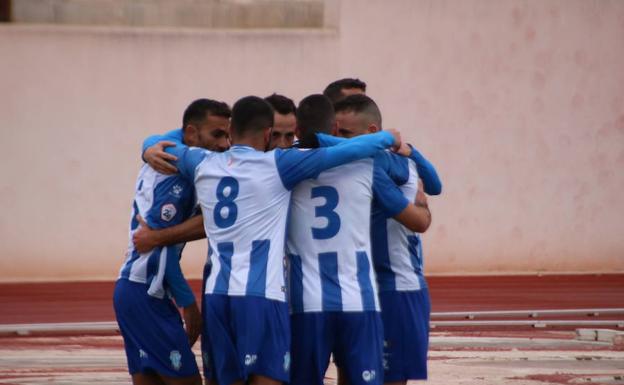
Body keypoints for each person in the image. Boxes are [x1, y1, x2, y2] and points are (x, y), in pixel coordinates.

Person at [147, 95, 403, 385]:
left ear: (230, 132)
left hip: (217, 295)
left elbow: (165, 143)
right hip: (262, 297)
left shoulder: (201, 161)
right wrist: (386, 137)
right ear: (268, 133)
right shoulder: (279, 165)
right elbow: (353, 150)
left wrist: (147, 149)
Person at [287, 95, 431, 385]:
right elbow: (420, 214)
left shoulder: (282, 164)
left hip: (305, 300)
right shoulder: (368, 163)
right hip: (358, 299)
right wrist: (395, 145)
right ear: (335, 126)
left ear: (297, 130)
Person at [113, 98, 231, 385]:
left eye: (228, 135)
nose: (225, 144)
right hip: (147, 293)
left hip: (134, 290)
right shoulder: (174, 176)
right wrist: (189, 304)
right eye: (217, 134)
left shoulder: (169, 155)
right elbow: (157, 247)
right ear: (191, 134)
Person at [331, 94, 440, 385]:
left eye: (345, 134)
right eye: (334, 133)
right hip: (360, 287)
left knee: (389, 378)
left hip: (397, 290)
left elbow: (435, 188)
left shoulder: (381, 162)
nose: (338, 142)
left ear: (371, 134)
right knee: (350, 373)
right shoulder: (357, 163)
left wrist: (408, 150)